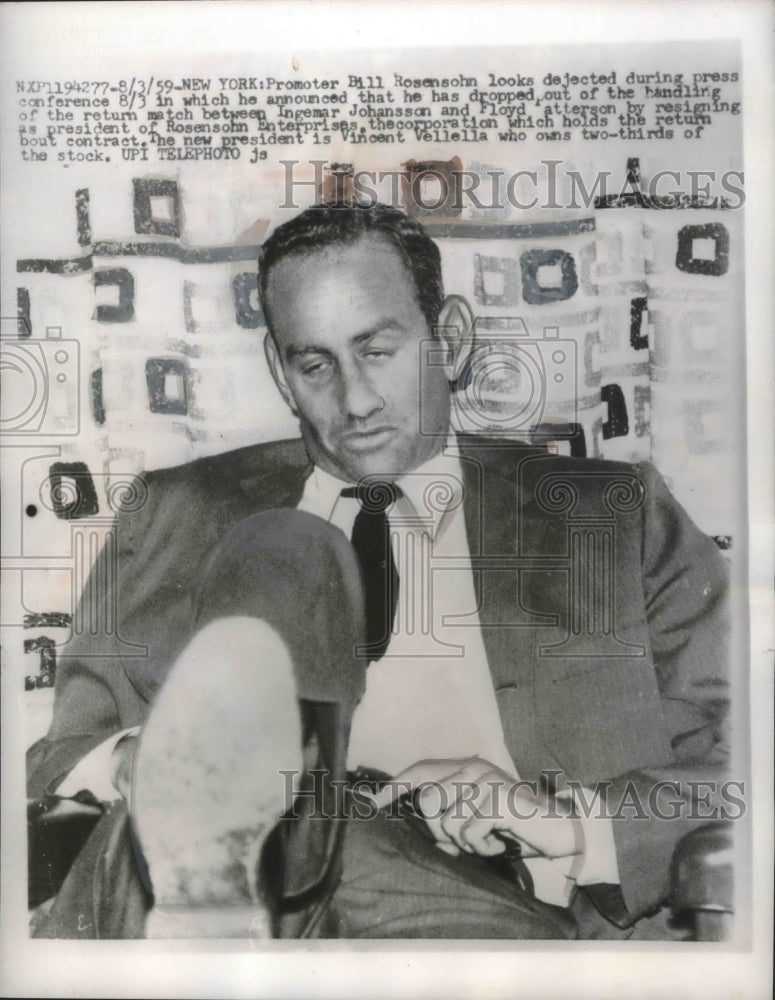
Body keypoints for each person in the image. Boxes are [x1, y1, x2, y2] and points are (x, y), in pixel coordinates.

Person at [27, 201, 730, 940]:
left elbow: (743, 760)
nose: (354, 401)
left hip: (498, 927)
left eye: (378, 351)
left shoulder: (612, 515)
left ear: (449, 338)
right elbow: (56, 766)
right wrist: (137, 761)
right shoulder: (175, 513)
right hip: (220, 907)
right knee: (198, 815)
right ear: (280, 372)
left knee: (338, 835)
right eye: (315, 365)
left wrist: (568, 823)